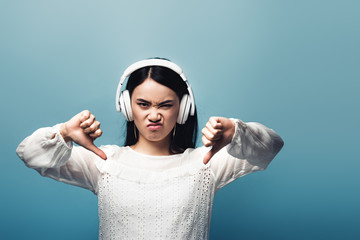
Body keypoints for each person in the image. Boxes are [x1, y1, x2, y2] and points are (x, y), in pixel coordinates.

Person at [16, 58, 284, 240]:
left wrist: (237, 131)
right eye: (143, 104)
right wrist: (63, 132)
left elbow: (271, 146)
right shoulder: (105, 162)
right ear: (126, 106)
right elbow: (28, 154)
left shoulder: (205, 162)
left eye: (165, 105)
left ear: (183, 109)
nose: (154, 115)